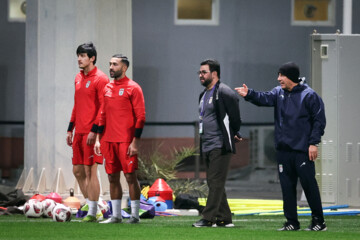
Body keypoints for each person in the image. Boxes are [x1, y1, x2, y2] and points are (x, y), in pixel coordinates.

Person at [235, 62, 327, 231]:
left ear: (291, 76)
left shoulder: (309, 95)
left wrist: (314, 143)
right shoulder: (278, 93)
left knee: (309, 185)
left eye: (281, 75)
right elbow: (264, 98)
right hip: (283, 151)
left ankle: (318, 222)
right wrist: (249, 94)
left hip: (302, 150)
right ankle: (292, 222)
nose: (278, 79)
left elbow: (319, 121)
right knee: (287, 187)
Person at [94, 54, 146, 224]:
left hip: (126, 141)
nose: (111, 67)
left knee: (131, 177)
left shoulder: (134, 88)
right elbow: (102, 115)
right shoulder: (107, 87)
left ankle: (135, 216)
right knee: (112, 178)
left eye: (115, 64)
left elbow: (141, 117)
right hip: (108, 141)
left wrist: (135, 142)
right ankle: (116, 216)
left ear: (124, 68)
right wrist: (97, 140)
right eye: (110, 64)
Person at [192, 59, 242, 228]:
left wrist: (233, 132)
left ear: (214, 74)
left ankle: (208, 218)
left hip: (220, 145)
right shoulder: (203, 95)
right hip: (206, 144)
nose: (200, 75)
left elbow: (235, 118)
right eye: (199, 72)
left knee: (215, 182)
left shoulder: (225, 92)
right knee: (215, 182)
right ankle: (224, 218)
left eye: (204, 72)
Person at [66, 42, 109, 222]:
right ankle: (94, 203)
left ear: (92, 58)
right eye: (78, 55)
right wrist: (70, 129)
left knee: (90, 171)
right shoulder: (77, 78)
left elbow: (103, 108)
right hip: (79, 132)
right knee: (77, 171)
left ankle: (93, 211)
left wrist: (95, 131)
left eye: (83, 56)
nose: (79, 59)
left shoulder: (101, 78)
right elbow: (77, 105)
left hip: (93, 133)